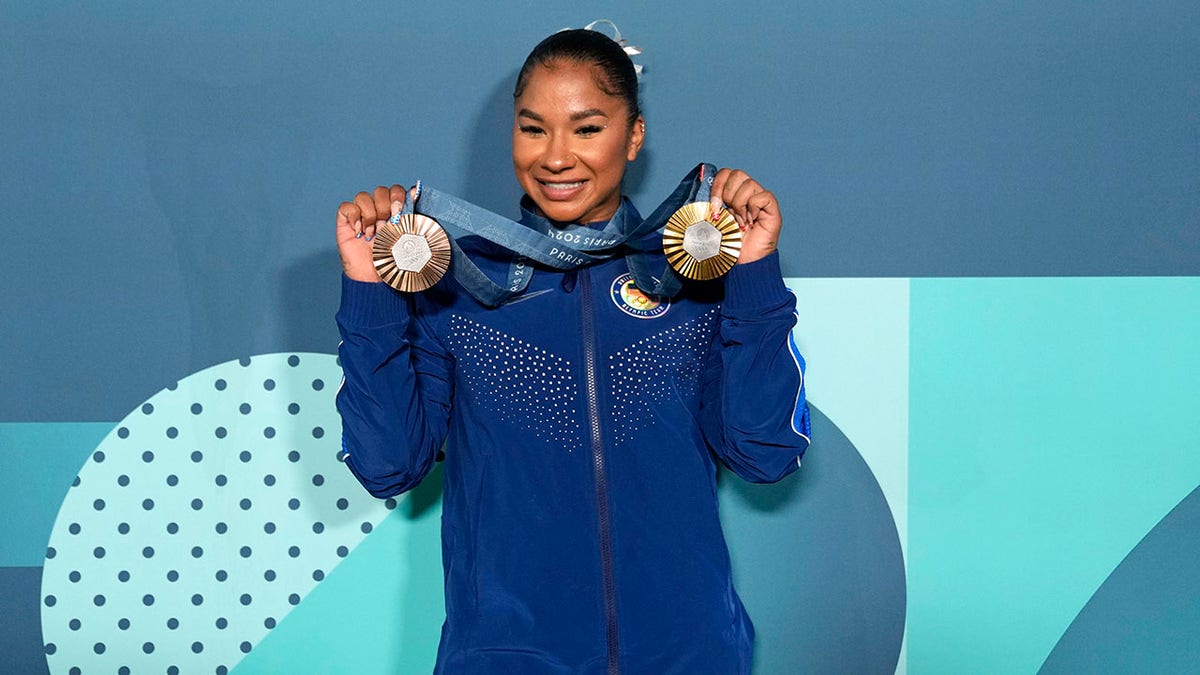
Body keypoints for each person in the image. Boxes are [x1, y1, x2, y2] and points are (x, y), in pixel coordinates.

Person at [334, 25, 810, 675]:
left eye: (587, 128)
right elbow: (387, 463)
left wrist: (753, 270)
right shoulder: (459, 284)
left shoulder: (695, 277)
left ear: (633, 136)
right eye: (534, 128)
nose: (556, 157)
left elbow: (766, 450)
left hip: (688, 655)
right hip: (505, 659)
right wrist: (371, 286)